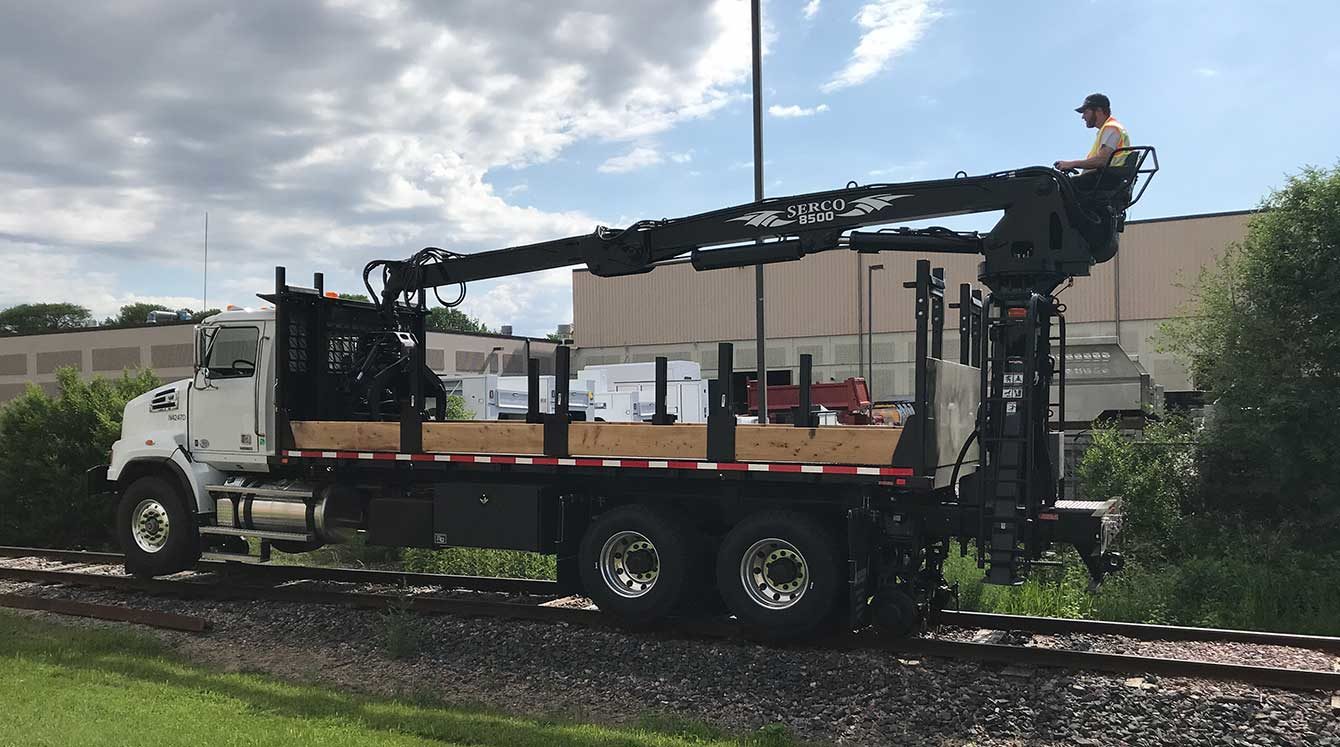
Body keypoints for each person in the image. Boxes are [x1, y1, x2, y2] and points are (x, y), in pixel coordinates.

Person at [1054, 93, 1130, 188]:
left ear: (1098, 110)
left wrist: (1071, 164)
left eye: (1085, 112)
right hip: (1101, 179)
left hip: (1105, 182)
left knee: (1057, 189)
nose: (1083, 117)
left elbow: (1102, 161)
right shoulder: (1105, 130)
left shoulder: (1112, 128)